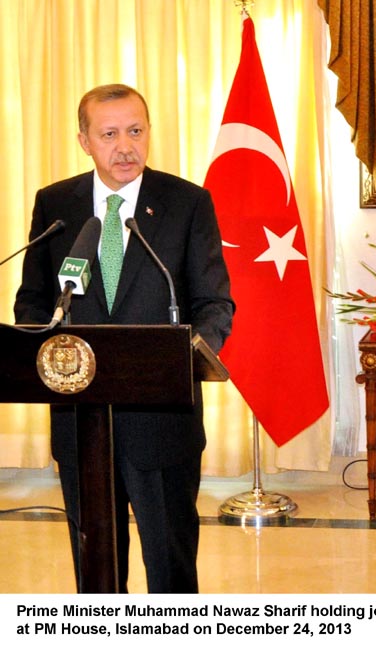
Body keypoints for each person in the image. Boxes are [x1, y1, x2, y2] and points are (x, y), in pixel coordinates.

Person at [14, 83, 235, 593]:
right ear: (84, 140)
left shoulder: (186, 203)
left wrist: (182, 358)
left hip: (162, 422)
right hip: (80, 421)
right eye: (109, 134)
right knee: (95, 574)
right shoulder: (57, 205)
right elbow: (32, 299)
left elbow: (214, 304)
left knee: (172, 570)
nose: (125, 146)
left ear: (149, 132)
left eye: (135, 131)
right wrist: (41, 345)